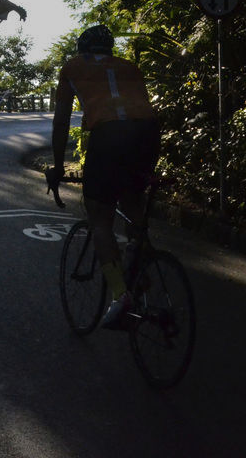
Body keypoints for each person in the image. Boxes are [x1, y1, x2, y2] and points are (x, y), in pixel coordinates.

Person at [49, 25, 160, 328]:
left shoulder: (73, 67)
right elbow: (138, 109)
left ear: (82, 49)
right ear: (109, 49)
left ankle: (120, 293)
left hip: (108, 133)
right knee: (133, 202)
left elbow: (61, 123)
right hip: (148, 132)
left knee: (100, 218)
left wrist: (58, 167)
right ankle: (139, 262)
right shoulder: (130, 67)